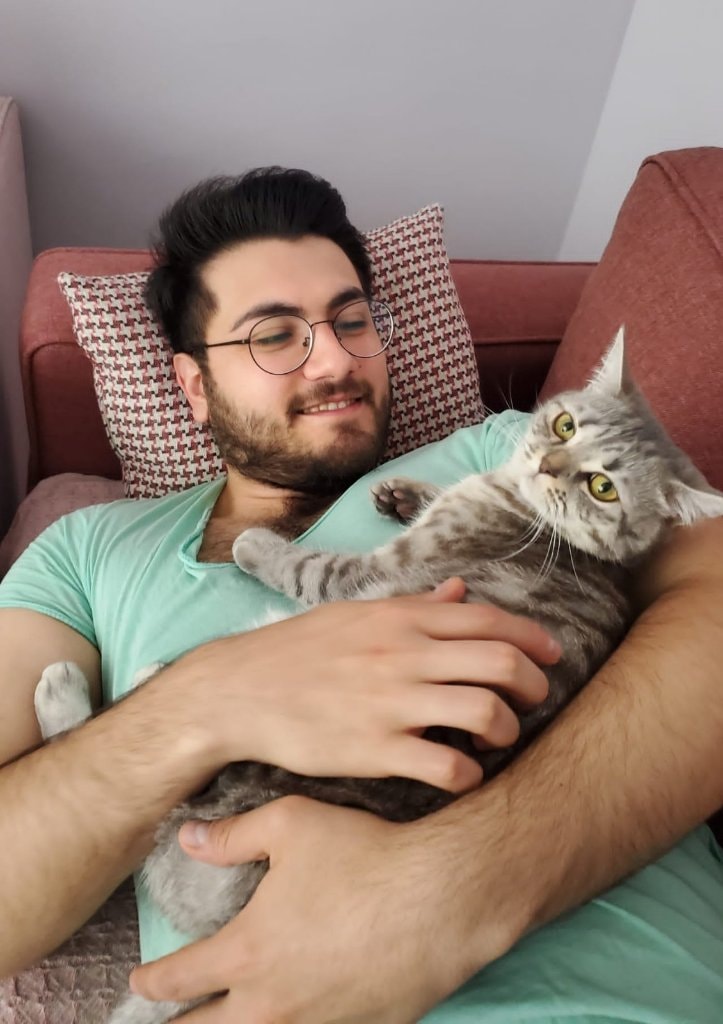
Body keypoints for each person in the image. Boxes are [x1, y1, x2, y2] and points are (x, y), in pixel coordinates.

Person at [0, 167, 721, 1024]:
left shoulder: (507, 454)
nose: (338, 359)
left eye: (352, 321)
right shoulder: (86, 549)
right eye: (275, 335)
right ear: (192, 386)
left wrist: (453, 888)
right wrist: (202, 701)